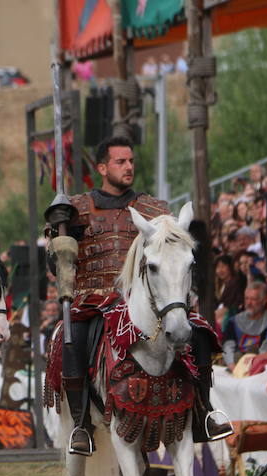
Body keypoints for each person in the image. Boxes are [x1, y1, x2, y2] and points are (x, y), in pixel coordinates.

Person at [43, 135, 232, 455]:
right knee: (71, 338)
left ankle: (203, 411)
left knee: (197, 331)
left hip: (147, 300)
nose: (129, 166)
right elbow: (56, 266)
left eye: (131, 160)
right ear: (103, 168)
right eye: (120, 161)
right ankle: (81, 424)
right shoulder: (75, 209)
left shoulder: (154, 209)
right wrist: (61, 235)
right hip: (93, 299)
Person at [222, 282, 267, 375]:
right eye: (247, 298)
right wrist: (233, 366)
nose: (249, 303)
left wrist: (255, 367)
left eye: (253, 299)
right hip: (236, 364)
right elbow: (228, 346)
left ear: (263, 301)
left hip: (259, 366)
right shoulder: (234, 321)